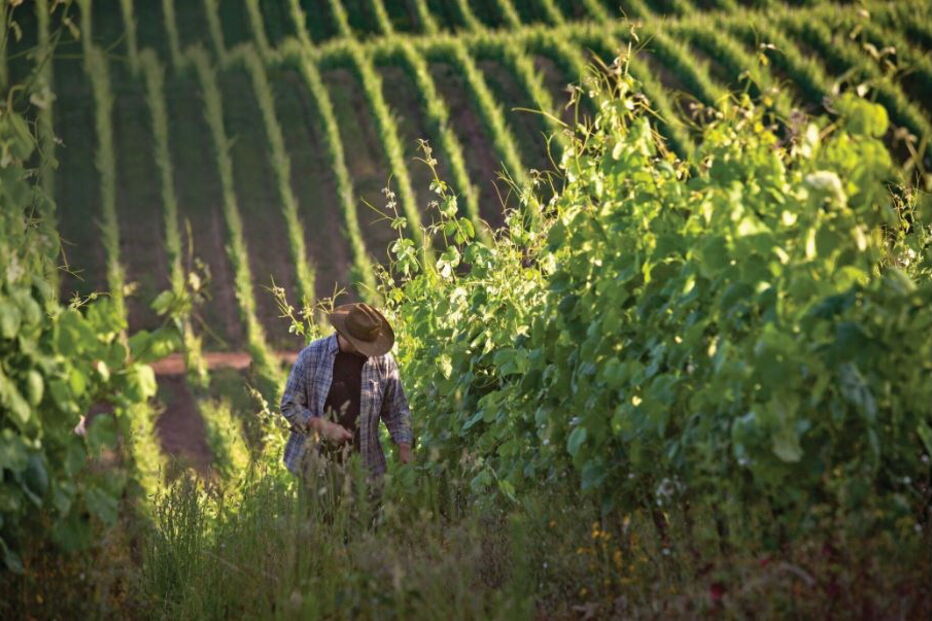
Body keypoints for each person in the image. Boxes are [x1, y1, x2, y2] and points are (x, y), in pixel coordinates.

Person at [279, 302, 413, 477]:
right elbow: (290, 405)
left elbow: (397, 409)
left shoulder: (383, 362)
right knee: (321, 504)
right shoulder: (312, 356)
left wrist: (404, 446)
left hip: (366, 469)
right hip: (316, 468)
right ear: (350, 338)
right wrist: (323, 427)